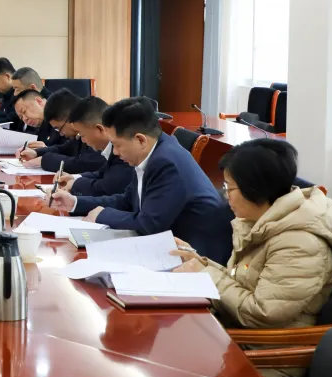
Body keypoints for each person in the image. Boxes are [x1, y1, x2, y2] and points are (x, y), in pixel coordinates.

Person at [170, 140, 332, 377]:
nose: (225, 195)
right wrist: (198, 262)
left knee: (169, 374)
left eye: (229, 187)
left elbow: (262, 312)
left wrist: (206, 274)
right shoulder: (264, 221)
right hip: (238, 337)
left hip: (268, 356)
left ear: (255, 190)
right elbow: (241, 281)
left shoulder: (298, 243)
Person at [49, 97, 233, 262]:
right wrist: (75, 202)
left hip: (197, 257)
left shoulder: (165, 162)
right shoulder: (151, 154)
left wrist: (103, 214)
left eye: (117, 145)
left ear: (140, 140)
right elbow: (127, 200)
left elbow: (149, 224)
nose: (115, 152)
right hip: (169, 245)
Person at [59, 96, 134, 197]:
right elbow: (102, 174)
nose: (82, 140)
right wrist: (74, 178)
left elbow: (107, 188)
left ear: (99, 129)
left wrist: (76, 184)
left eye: (82, 135)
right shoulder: (111, 147)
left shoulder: (123, 149)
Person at [19, 90, 103, 173]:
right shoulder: (78, 134)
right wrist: (36, 153)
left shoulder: (93, 127)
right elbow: (64, 148)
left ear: (70, 119)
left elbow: (84, 164)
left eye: (59, 128)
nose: (60, 133)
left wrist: (44, 160)